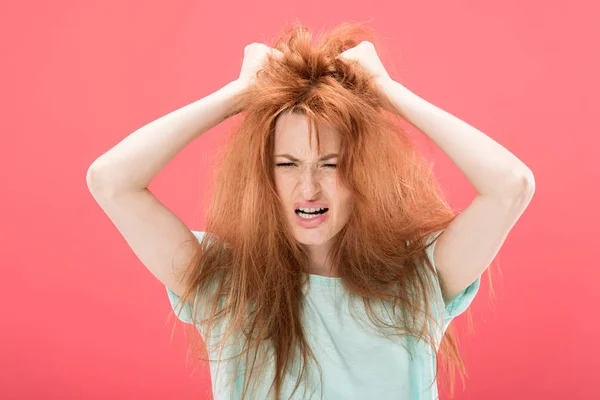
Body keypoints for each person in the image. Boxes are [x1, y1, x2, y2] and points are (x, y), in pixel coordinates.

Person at [87, 22, 535, 400]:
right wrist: (238, 94)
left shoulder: (417, 279)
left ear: (361, 172)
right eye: (288, 164)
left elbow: (510, 186)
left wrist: (387, 92)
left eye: (330, 164)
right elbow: (110, 180)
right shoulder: (226, 284)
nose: (308, 187)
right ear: (266, 176)